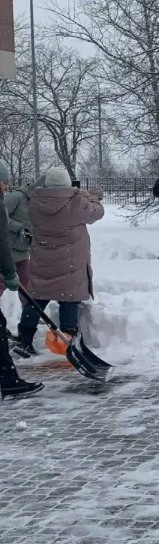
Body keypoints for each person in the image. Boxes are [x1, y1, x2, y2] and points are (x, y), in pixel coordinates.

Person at [14, 168, 104, 357]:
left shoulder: (35, 203)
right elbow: (97, 213)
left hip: (42, 260)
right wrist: (92, 197)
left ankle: (25, 339)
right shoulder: (76, 203)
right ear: (67, 184)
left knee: (36, 299)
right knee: (68, 298)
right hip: (69, 263)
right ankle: (67, 340)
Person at [0, 160, 43, 398]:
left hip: (17, 253)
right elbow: (1, 235)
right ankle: (8, 381)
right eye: (3, 181)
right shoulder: (11, 199)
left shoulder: (31, 202)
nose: (5, 186)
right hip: (9, 256)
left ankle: (9, 380)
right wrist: (8, 272)